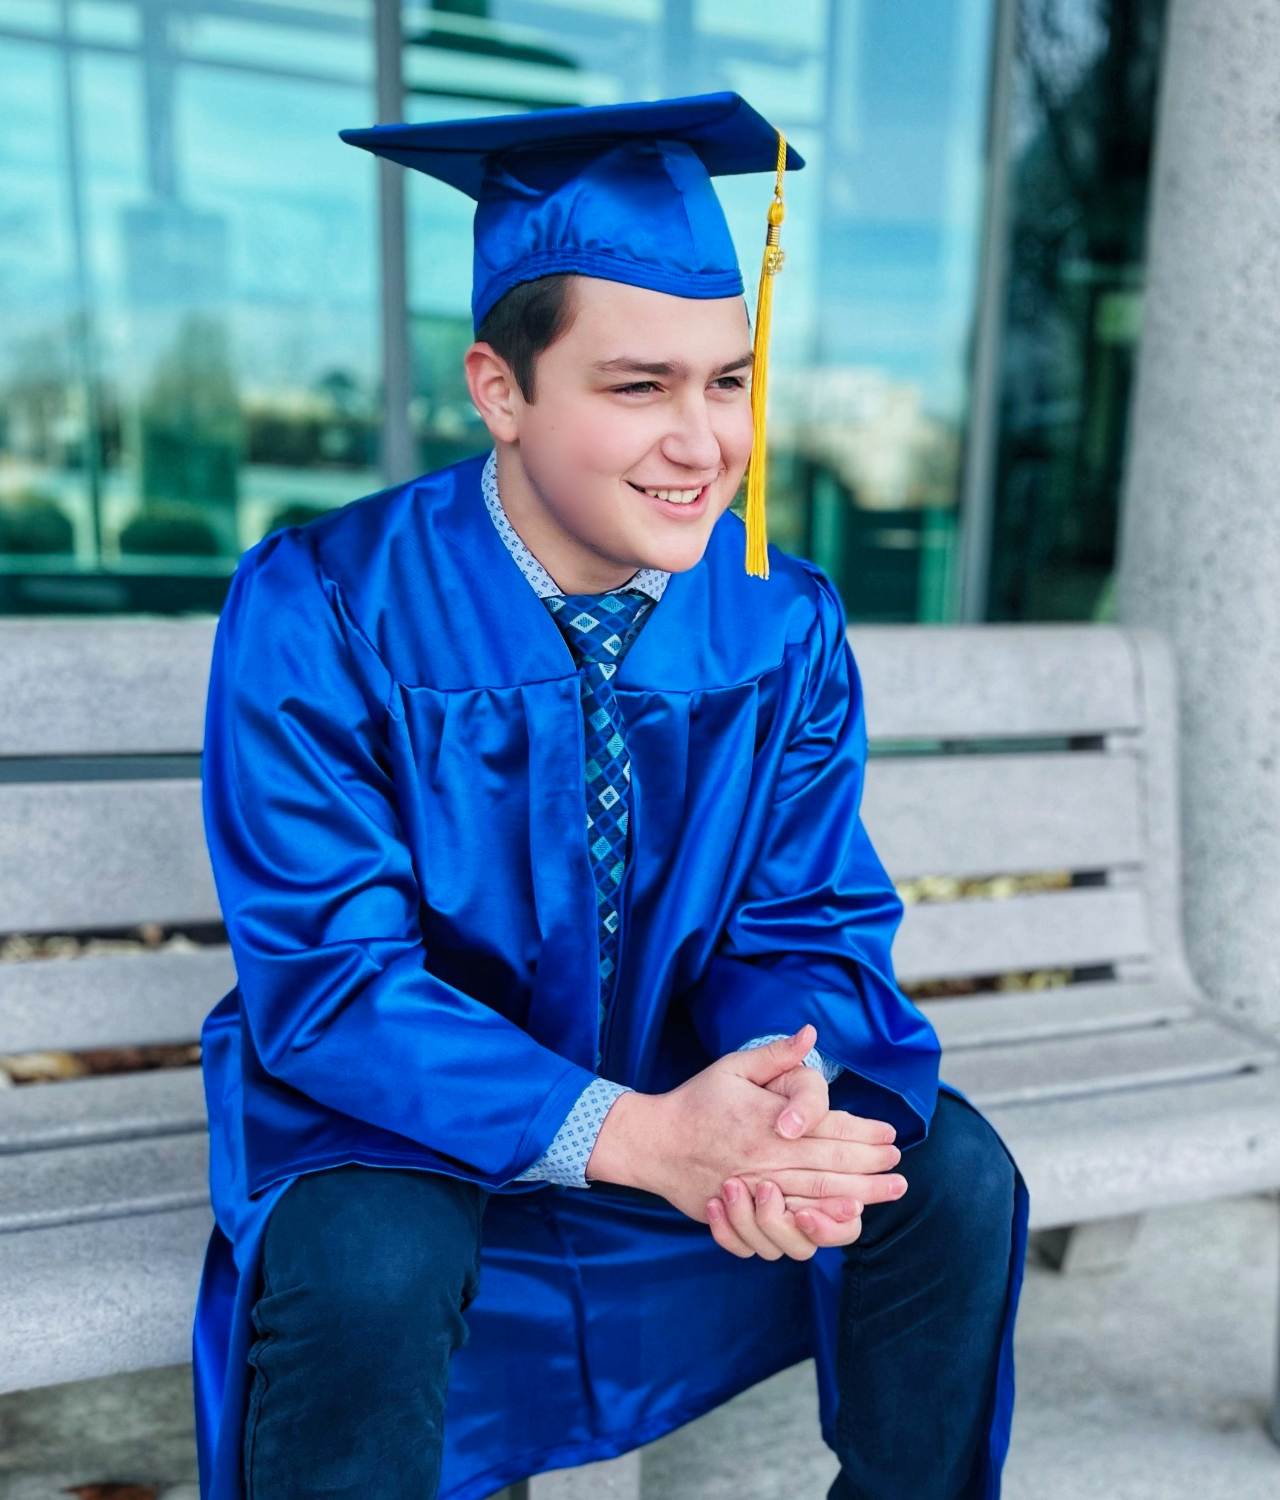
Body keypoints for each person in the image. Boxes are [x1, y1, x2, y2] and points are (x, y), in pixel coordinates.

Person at [192, 91, 1028, 1500]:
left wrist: (779, 1105)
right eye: (639, 386)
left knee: (943, 1179)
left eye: (729, 381)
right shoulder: (324, 604)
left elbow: (804, 913)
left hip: (678, 1062)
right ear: (501, 390)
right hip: (396, 1106)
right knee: (369, 1263)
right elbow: (331, 984)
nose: (704, 442)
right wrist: (643, 1138)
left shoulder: (779, 624)